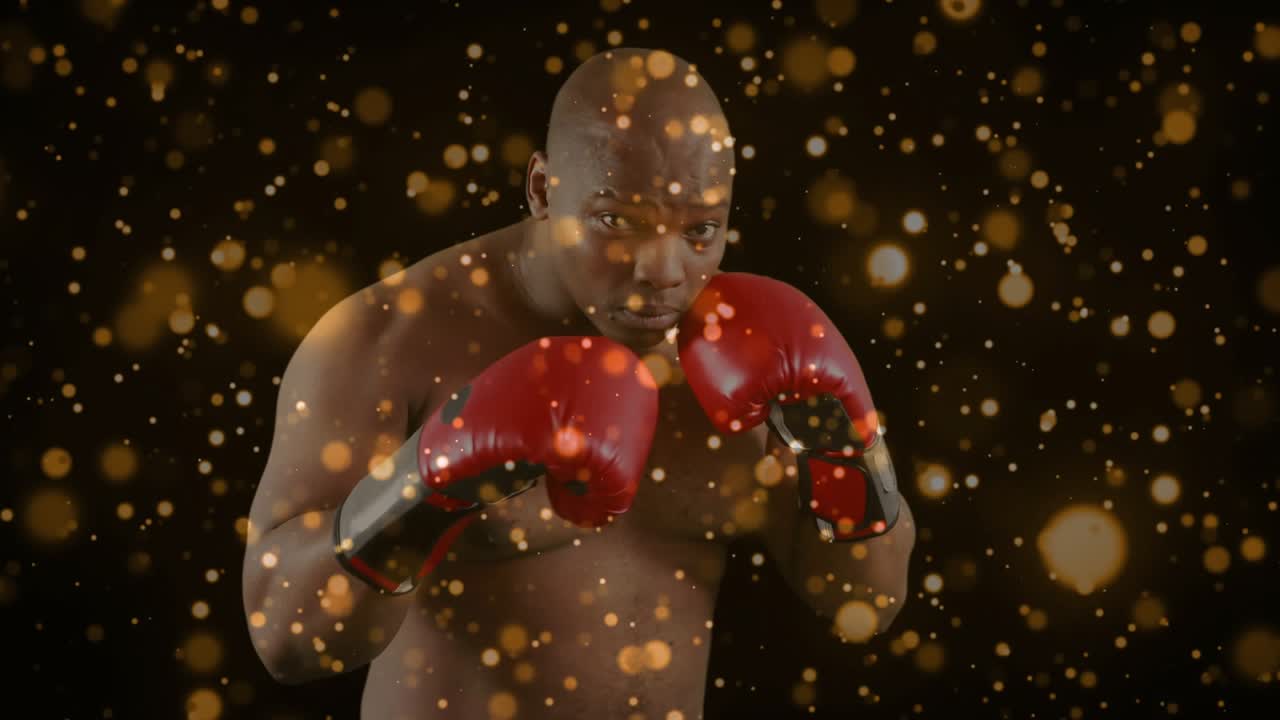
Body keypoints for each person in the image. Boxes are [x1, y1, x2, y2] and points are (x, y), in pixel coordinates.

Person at [241, 48, 915, 719]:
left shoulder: (755, 343)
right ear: (542, 189)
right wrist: (422, 486)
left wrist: (842, 449)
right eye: (617, 222)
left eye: (701, 230)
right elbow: (287, 642)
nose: (663, 271)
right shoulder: (386, 338)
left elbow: (868, 603)